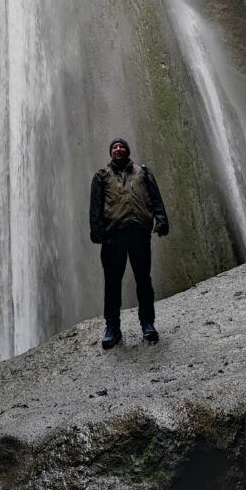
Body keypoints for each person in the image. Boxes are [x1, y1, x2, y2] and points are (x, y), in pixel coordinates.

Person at [89, 138, 169, 349]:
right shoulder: (101, 176)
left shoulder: (142, 172)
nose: (118, 149)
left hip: (139, 234)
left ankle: (147, 323)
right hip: (114, 236)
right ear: (110, 153)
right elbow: (95, 206)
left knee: (143, 280)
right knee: (112, 284)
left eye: (121, 146)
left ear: (127, 151)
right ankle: (112, 328)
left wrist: (161, 221)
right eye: (114, 147)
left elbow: (155, 198)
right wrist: (97, 232)